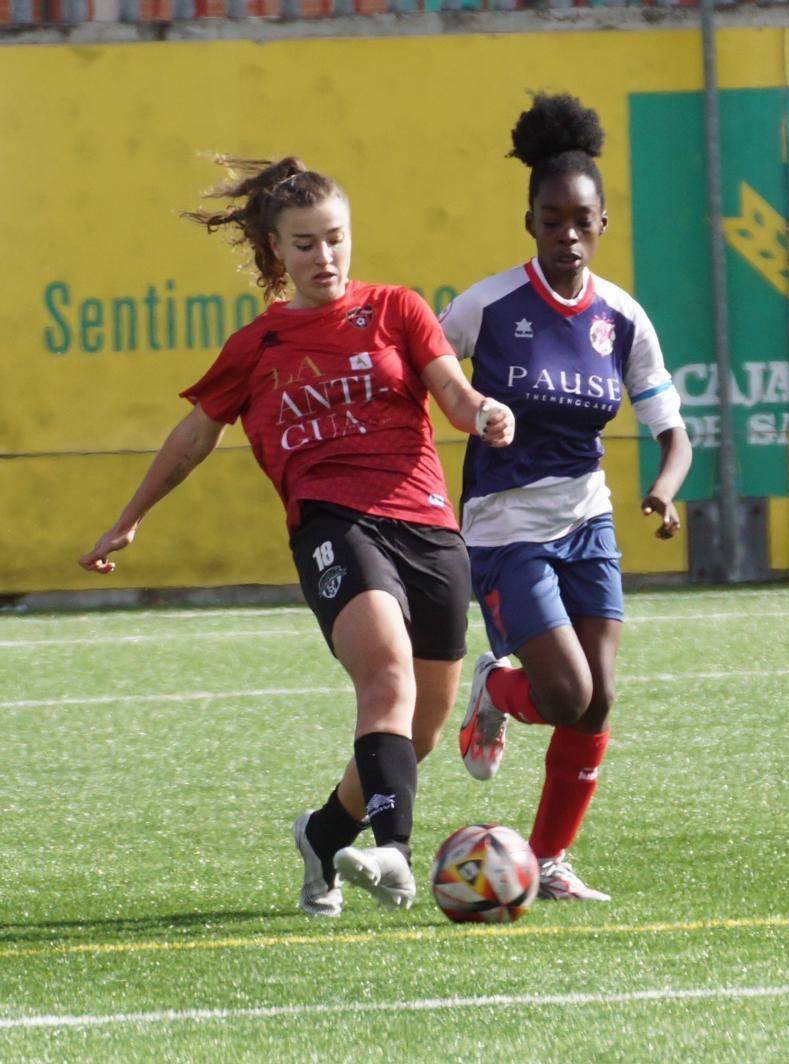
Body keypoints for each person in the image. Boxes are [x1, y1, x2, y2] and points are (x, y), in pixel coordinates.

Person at [77, 155, 513, 918]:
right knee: (385, 675)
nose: (325, 257)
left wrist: (481, 411)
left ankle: (324, 832)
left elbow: (449, 387)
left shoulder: (397, 309)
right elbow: (191, 438)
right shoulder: (260, 345)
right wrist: (130, 515)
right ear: (276, 249)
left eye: (336, 239)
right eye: (305, 243)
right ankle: (394, 854)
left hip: (428, 527)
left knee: (421, 730)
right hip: (332, 523)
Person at [439, 93, 692, 902]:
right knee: (566, 694)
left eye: (582, 220)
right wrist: (473, 411)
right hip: (506, 528)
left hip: (590, 520)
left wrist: (665, 488)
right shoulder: (485, 307)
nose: (568, 235)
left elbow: (672, 430)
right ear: (531, 223)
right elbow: (427, 377)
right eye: (553, 220)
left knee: (600, 699)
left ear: (604, 223)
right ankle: (497, 691)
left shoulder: (622, 317)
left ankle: (544, 862)